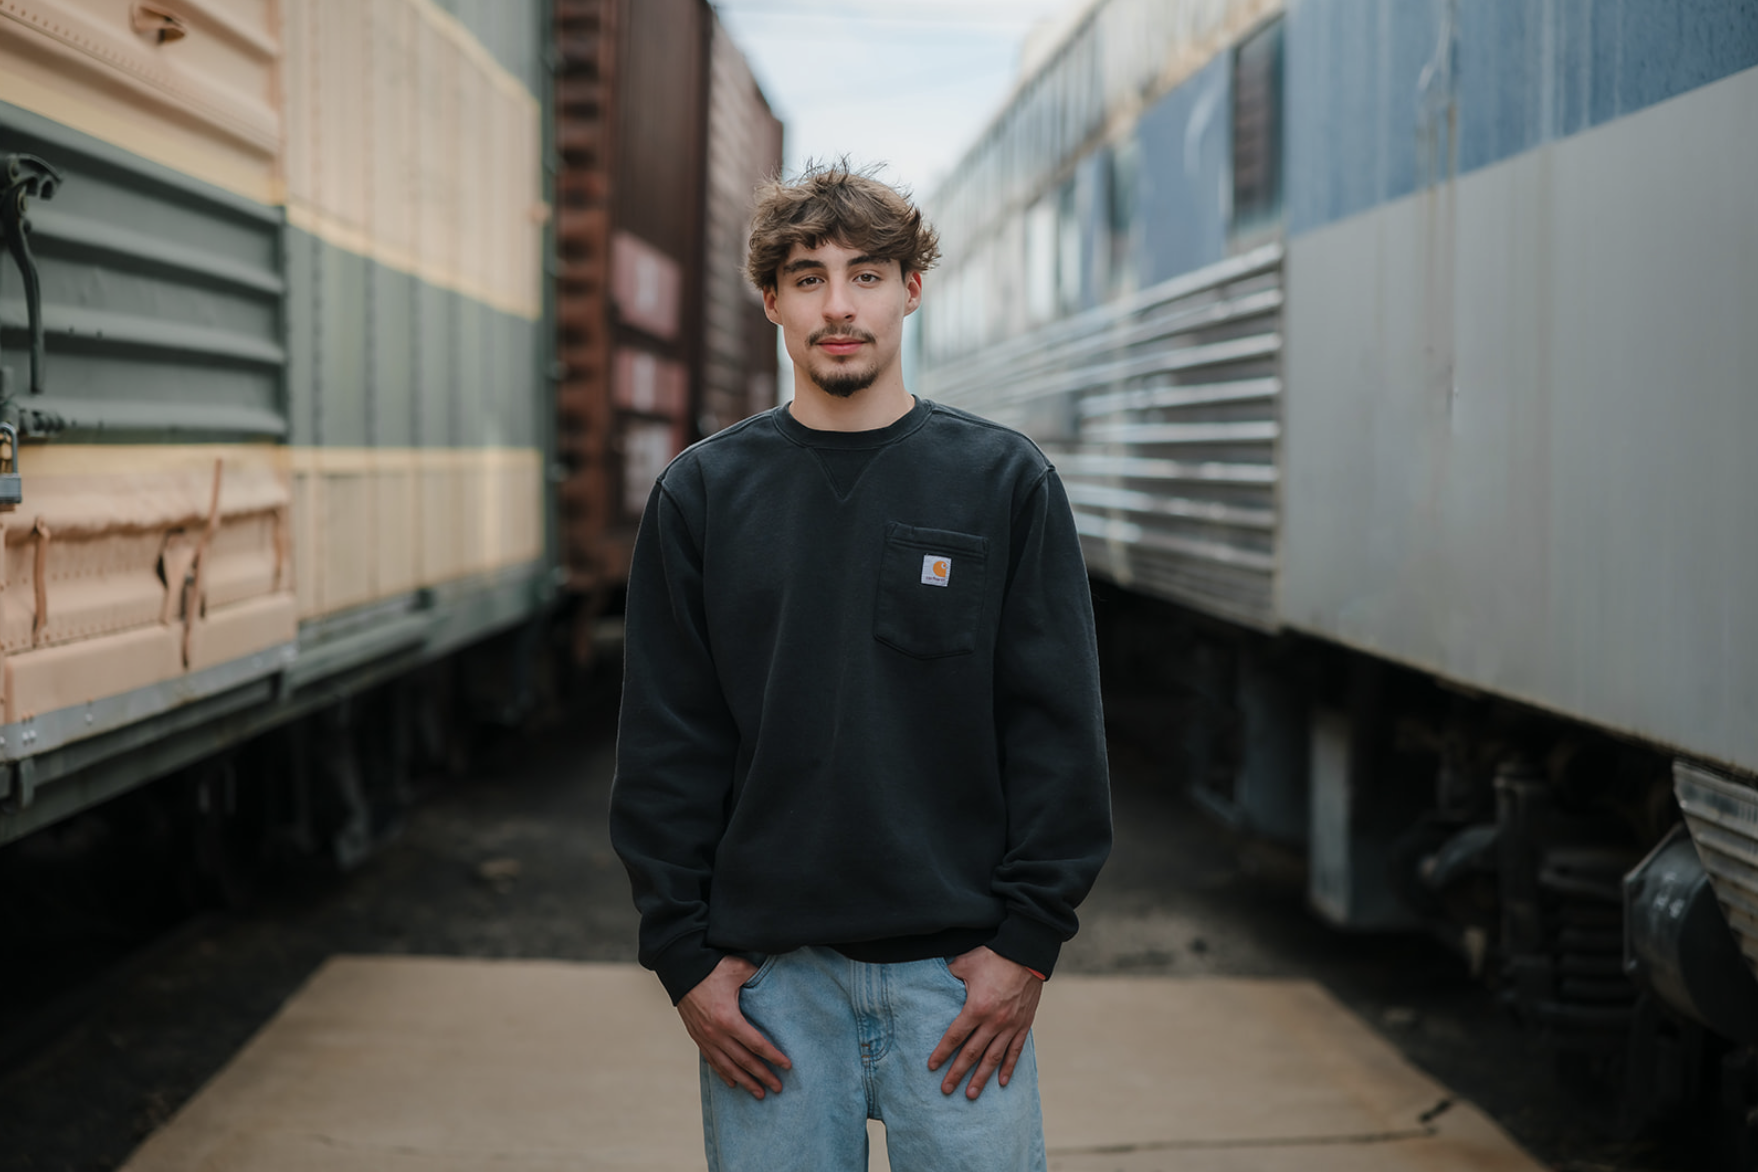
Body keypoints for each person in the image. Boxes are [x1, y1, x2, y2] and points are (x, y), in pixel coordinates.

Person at [609, 162, 1111, 1172]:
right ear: (770, 301)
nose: (839, 306)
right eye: (807, 278)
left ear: (913, 288)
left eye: (867, 274)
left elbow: (1056, 728)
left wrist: (1025, 942)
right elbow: (669, 740)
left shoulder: (1003, 480)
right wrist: (685, 958)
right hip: (770, 993)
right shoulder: (702, 495)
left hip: (958, 985)